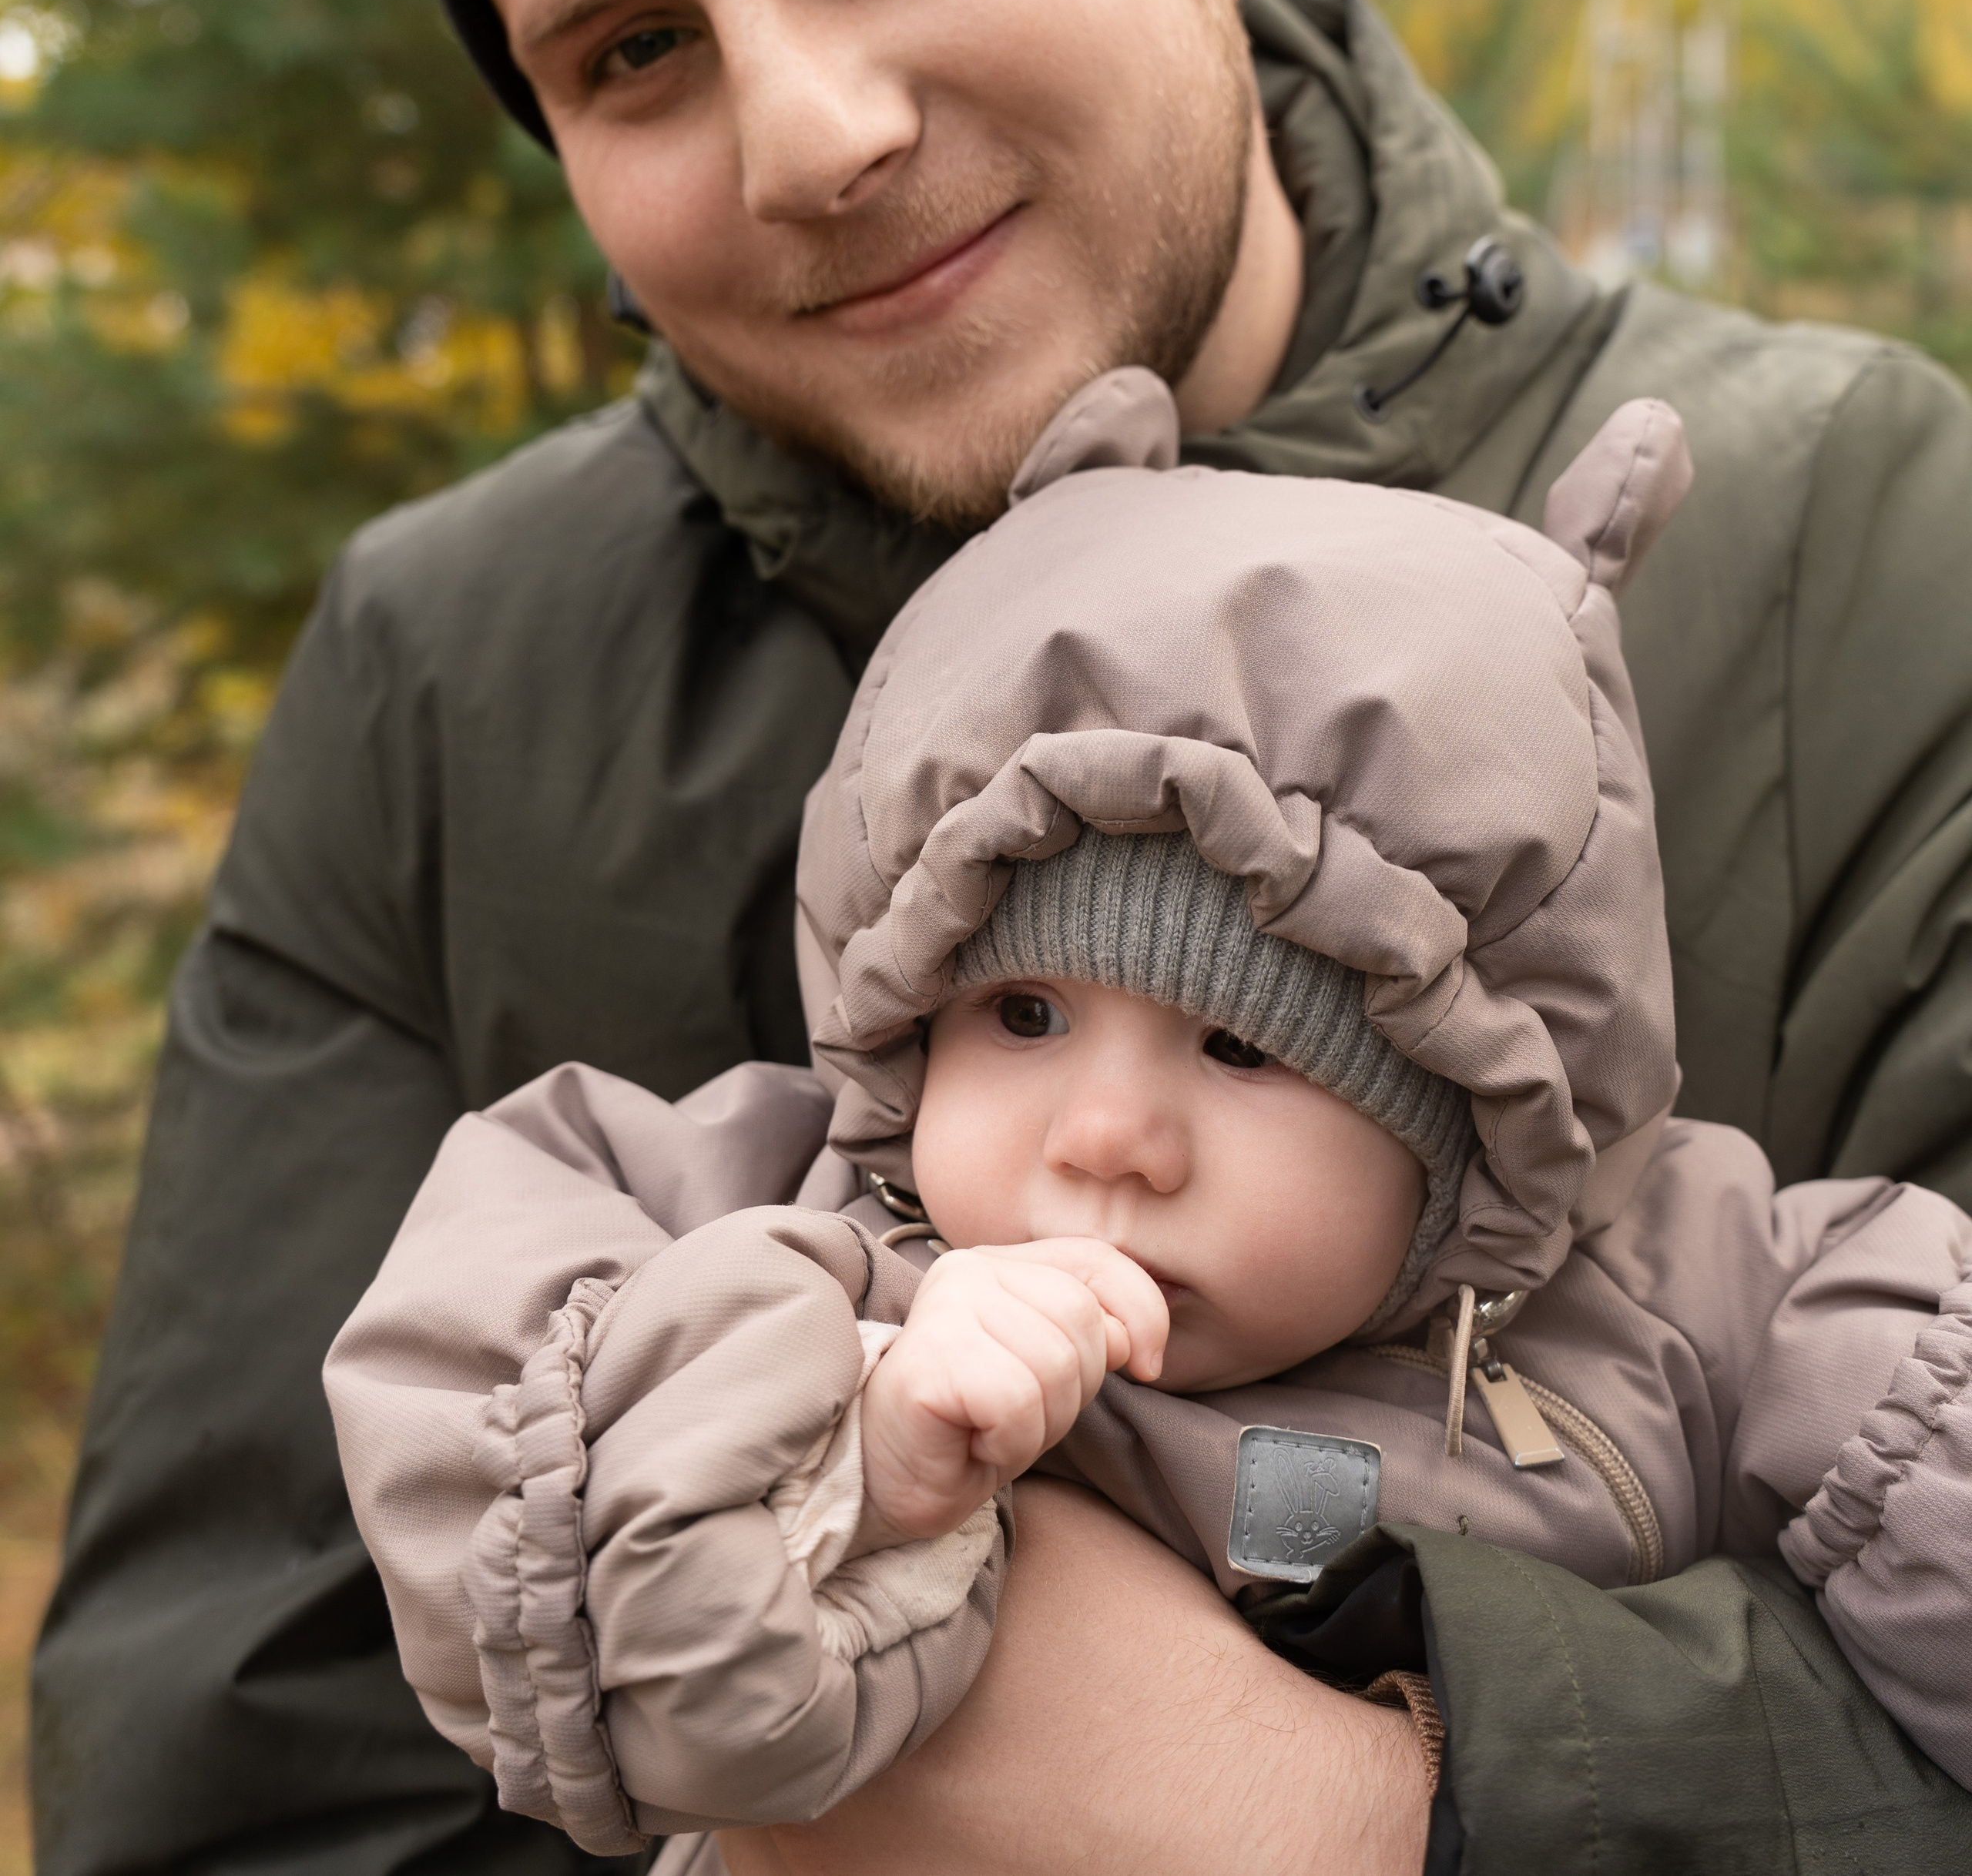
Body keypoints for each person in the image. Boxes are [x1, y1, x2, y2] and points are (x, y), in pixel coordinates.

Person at [30, 0, 1972, 1876]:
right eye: (631, 51)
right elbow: (225, 1764)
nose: (808, 126)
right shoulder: (455, 675)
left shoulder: (1867, 549)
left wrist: (1355, 1802)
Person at [323, 378, 1972, 1873]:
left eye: (1243, 1045)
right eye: (1020, 1016)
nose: (1105, 1132)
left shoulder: (1674, 1283)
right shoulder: (805, 1208)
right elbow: (545, 1498)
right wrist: (849, 1446)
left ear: (1470, 1113)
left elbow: (1919, 1423)